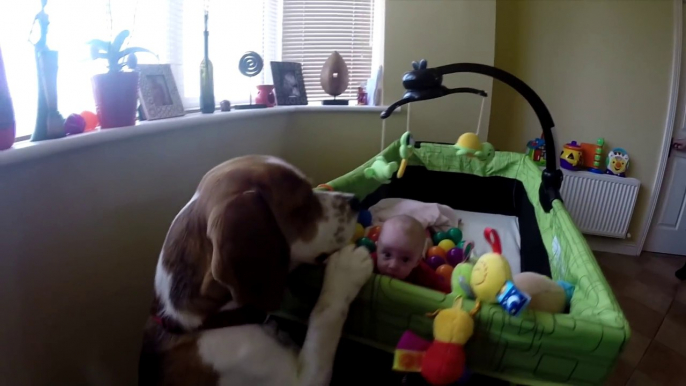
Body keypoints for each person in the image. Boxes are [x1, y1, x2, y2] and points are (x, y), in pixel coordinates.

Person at [375, 215, 451, 293]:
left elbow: (446, 293)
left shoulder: (422, 274)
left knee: (427, 245)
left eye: (405, 259)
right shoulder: (369, 262)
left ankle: (428, 236)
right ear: (377, 249)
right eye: (387, 255)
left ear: (417, 262)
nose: (393, 265)